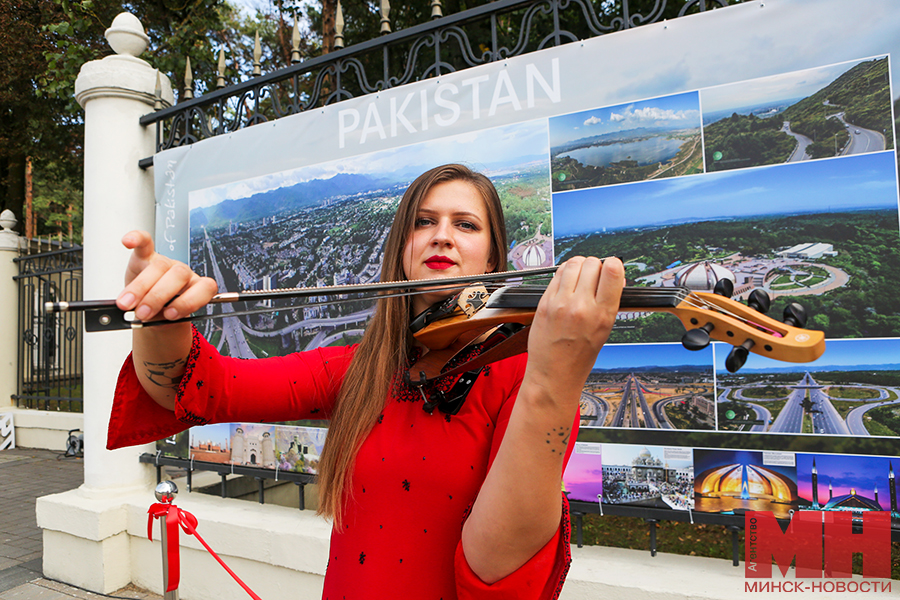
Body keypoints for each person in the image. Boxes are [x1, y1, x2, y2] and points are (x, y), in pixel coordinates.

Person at [107, 164, 624, 600]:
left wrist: (554, 380)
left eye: (465, 225)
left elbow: (495, 571)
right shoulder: (362, 368)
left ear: (492, 260)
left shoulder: (523, 376)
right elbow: (199, 386)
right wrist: (160, 317)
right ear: (403, 249)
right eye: (424, 222)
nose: (442, 234)